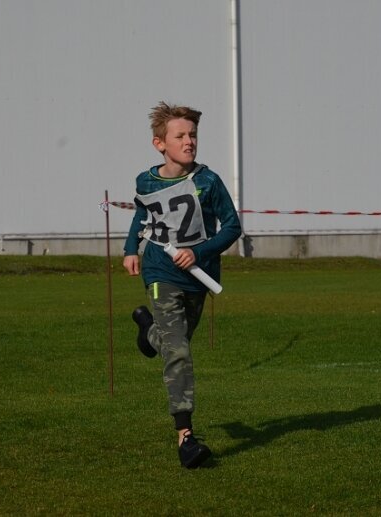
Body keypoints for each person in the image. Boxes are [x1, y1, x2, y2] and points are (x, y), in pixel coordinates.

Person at [123, 101, 242, 468]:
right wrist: (131, 250)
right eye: (181, 136)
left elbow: (233, 227)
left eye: (193, 135)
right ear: (160, 144)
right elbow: (143, 214)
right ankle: (186, 438)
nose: (189, 141)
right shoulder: (146, 180)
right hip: (160, 273)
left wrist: (200, 252)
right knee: (179, 352)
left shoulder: (209, 181)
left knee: (175, 342)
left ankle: (148, 332)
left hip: (198, 278)